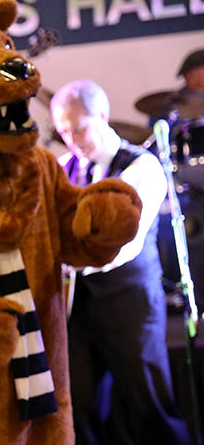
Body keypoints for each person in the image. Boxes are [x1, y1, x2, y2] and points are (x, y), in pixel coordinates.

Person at [51, 79, 190, 444]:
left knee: (149, 404)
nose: (71, 140)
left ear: (102, 115)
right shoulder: (62, 168)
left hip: (128, 302)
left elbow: (122, 242)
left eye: (78, 128)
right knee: (79, 407)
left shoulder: (141, 166)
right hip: (76, 308)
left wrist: (70, 257)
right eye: (63, 131)